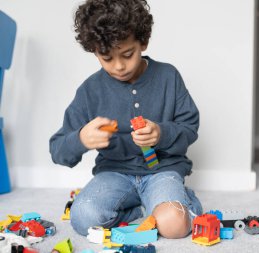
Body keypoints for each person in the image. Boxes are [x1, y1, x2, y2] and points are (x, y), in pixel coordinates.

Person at [49, 0, 202, 238]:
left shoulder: (168, 76)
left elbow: (189, 128)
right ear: (94, 51)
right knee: (83, 218)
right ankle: (140, 211)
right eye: (107, 58)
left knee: (173, 226)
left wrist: (161, 133)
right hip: (114, 174)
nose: (119, 66)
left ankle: (180, 203)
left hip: (162, 171)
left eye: (127, 54)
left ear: (143, 41)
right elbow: (58, 150)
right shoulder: (90, 90)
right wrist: (81, 139)